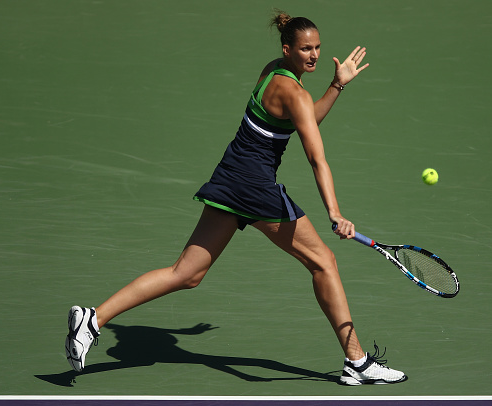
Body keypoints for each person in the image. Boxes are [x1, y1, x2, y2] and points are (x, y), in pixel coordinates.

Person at [65, 11, 407, 386]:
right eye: (306, 49)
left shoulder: (273, 71)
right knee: (324, 262)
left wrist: (336, 86)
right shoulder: (294, 91)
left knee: (187, 274)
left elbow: (304, 118)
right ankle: (356, 362)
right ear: (287, 48)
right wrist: (335, 213)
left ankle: (93, 319)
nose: (314, 55)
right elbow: (316, 156)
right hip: (255, 187)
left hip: (229, 178)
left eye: (318, 48)